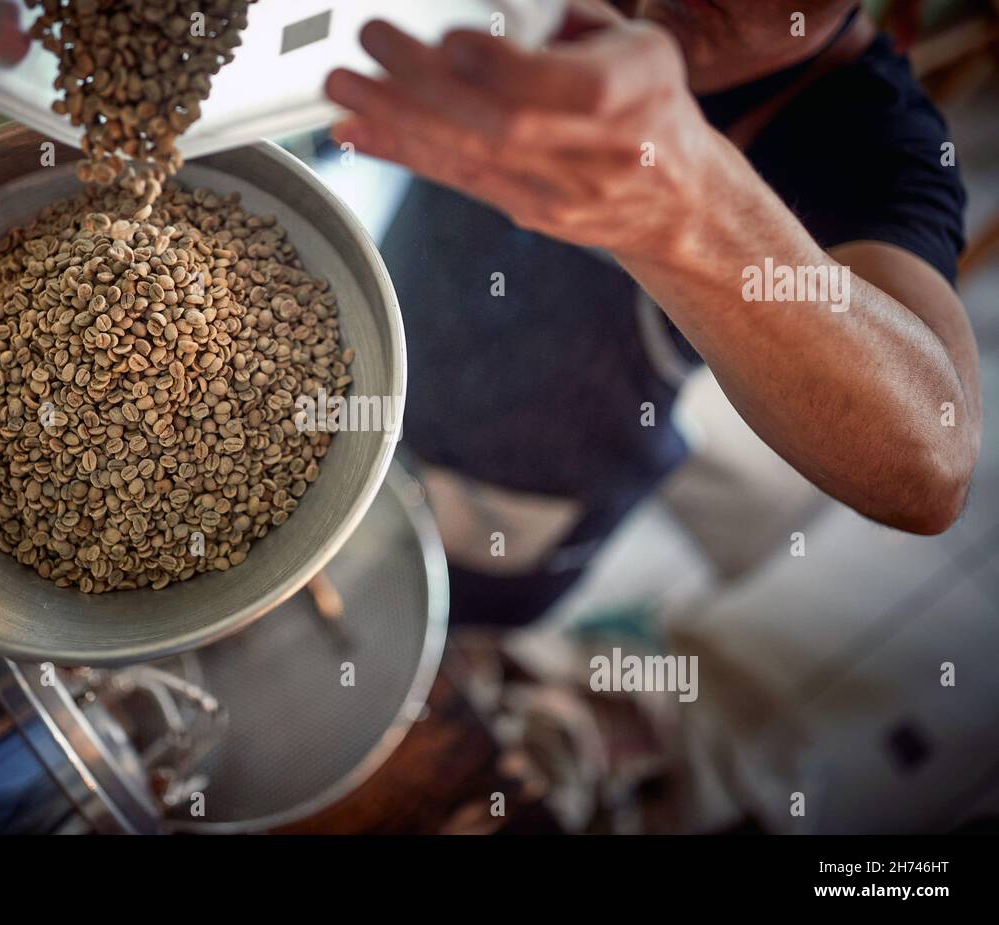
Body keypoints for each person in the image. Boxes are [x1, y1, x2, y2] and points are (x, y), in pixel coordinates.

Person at [324, 0, 980, 626]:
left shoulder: (878, 145)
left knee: (386, 631)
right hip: (370, 369)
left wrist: (690, 210)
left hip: (501, 502)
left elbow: (929, 470)